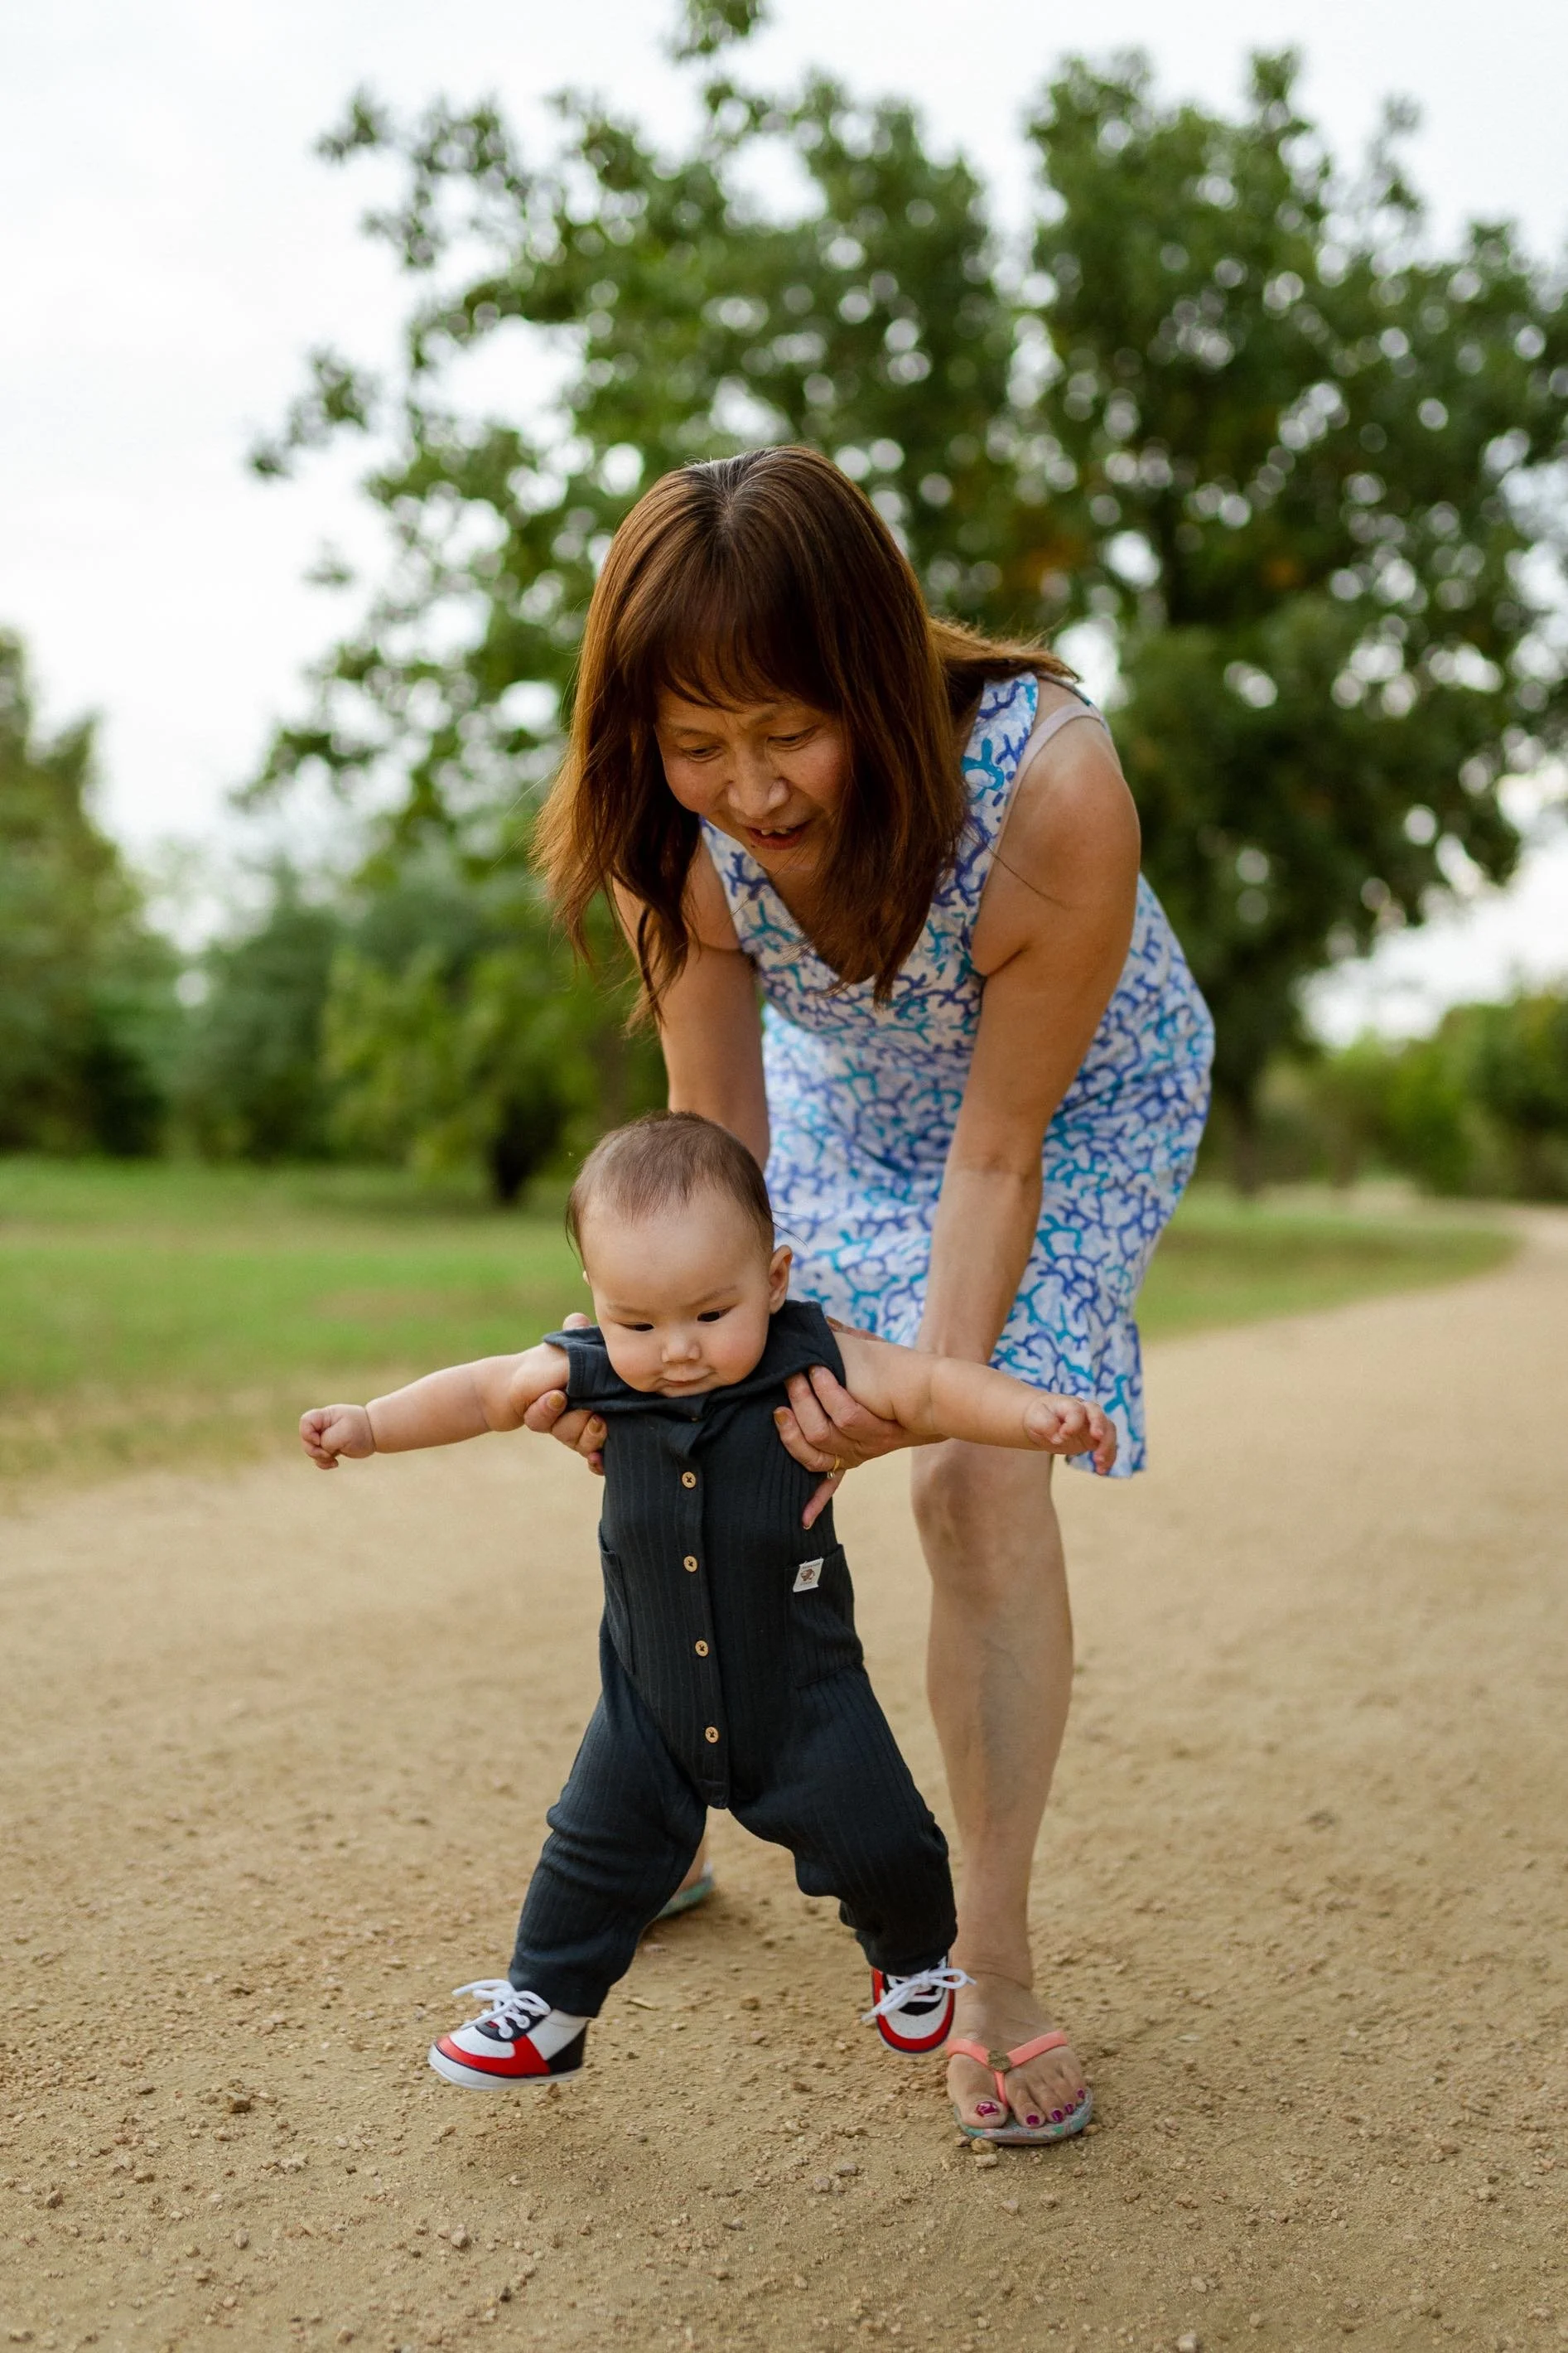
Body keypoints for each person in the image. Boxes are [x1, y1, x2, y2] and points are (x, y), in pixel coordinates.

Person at [530, 447, 1214, 2143]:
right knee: (714, 1427)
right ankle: (665, 1803)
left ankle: (988, 1964)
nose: (748, 792)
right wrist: (685, 1360)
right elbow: (709, 1159)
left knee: (972, 1481)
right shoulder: (667, 832)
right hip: (841, 1112)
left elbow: (997, 1152)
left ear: (873, 674)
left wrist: (928, 1391)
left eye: (787, 732)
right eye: (699, 744)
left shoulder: (1047, 786)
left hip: (1061, 1110)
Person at [299, 1113, 1114, 2115]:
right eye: (637, 1321)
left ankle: (913, 1962)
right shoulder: (594, 1365)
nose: (676, 1350)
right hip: (651, 1699)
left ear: (773, 1280)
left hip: (803, 1690)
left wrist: (1035, 1416)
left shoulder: (811, 1357)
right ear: (597, 1303)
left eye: (709, 1313)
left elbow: (936, 1387)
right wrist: (372, 1424)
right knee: (589, 1845)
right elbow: (480, 1391)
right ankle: (546, 2007)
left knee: (888, 1842)